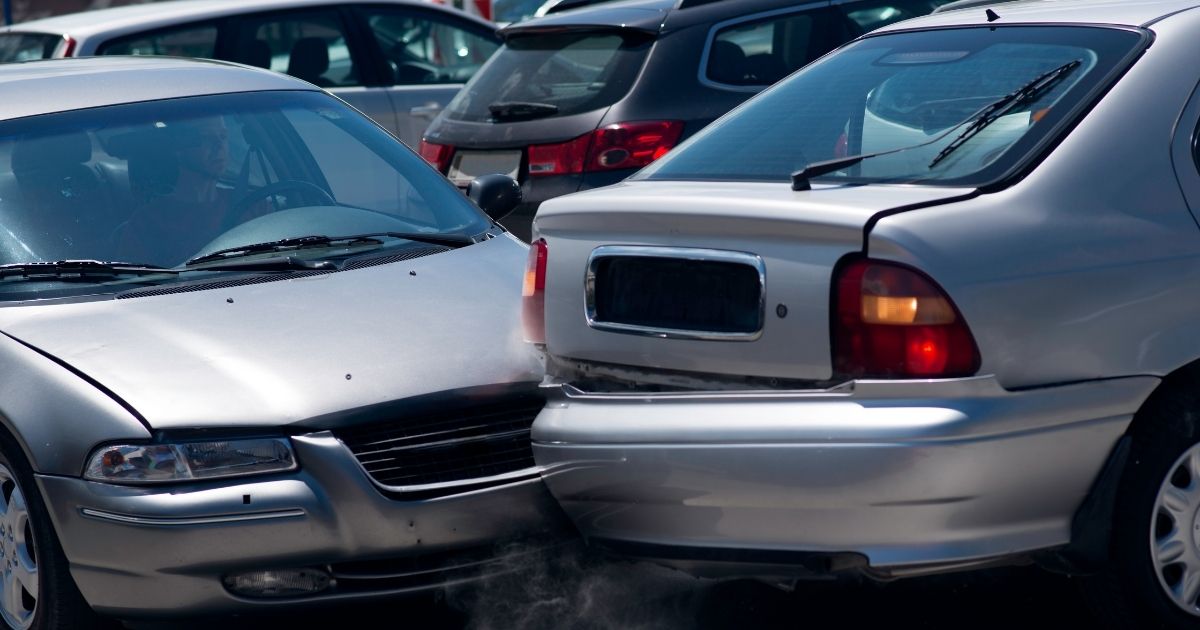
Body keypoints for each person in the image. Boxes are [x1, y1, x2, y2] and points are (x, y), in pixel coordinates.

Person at [114, 115, 240, 266]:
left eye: (223, 136)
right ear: (179, 149)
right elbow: (135, 282)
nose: (219, 146)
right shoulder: (147, 223)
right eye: (206, 138)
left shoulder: (251, 205)